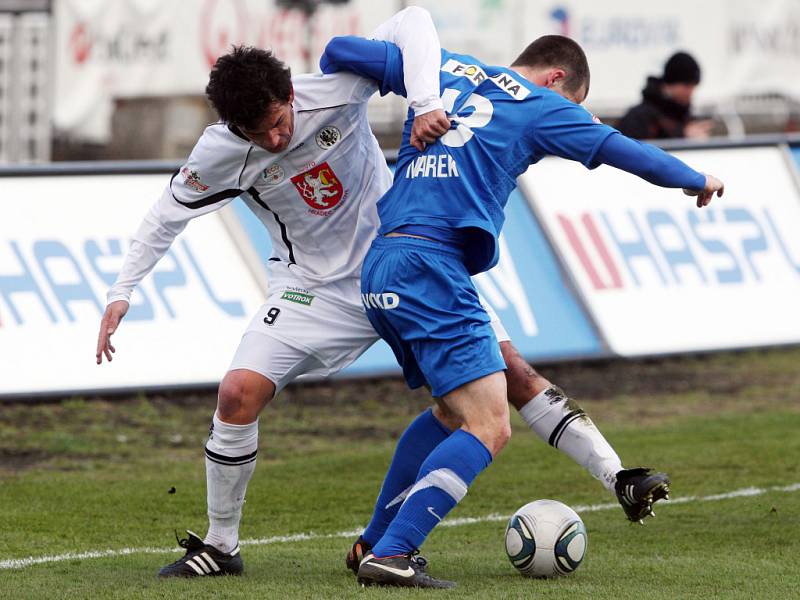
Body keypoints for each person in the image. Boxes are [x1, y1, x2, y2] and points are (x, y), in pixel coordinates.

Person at [95, 7, 669, 581]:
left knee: (507, 377)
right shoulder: (218, 151)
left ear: (291, 94)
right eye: (258, 134)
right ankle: (222, 546)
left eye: (279, 121)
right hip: (310, 291)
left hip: (401, 264)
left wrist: (423, 103)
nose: (275, 138)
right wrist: (122, 291)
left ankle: (613, 475)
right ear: (232, 128)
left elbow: (413, 22)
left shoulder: (335, 91)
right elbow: (165, 215)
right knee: (236, 395)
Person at [321, 33, 723, 588]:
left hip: (382, 262)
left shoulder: (443, 68)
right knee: (490, 426)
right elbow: (621, 149)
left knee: (450, 413)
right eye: (572, 105)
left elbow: (339, 51)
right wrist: (696, 178)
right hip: (432, 264)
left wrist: (423, 99)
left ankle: (374, 539)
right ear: (557, 79)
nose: (568, 117)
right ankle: (393, 552)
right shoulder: (542, 104)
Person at [616, 51, 713, 140]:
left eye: (693, 86)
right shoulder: (638, 117)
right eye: (686, 85)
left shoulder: (684, 115)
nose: (691, 92)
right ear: (670, 84)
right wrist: (683, 136)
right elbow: (635, 152)